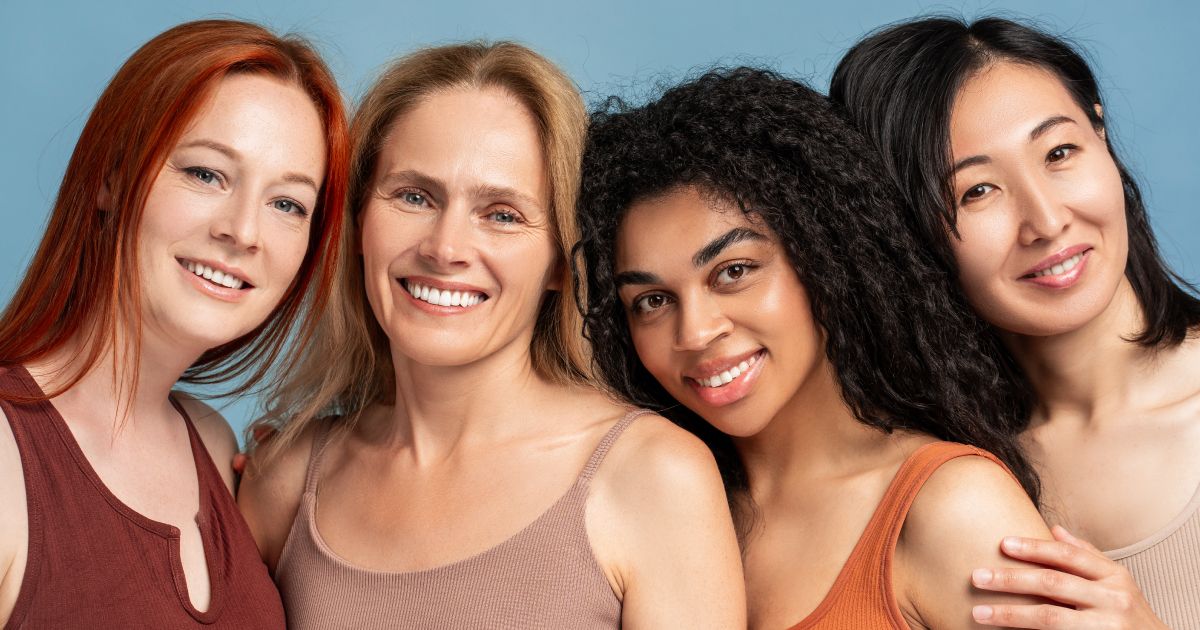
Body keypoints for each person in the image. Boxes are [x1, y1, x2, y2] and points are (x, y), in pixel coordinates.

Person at [237, 41, 745, 629]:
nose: (445, 247)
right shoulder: (286, 479)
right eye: (413, 196)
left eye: (502, 213)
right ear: (358, 223)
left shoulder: (653, 476)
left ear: (561, 261)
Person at [577, 66, 1052, 629]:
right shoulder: (653, 506)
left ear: (823, 257)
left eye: (734, 271)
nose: (695, 333)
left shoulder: (951, 506)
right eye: (652, 301)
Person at [830, 15, 1199, 629]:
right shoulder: (936, 478)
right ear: (906, 234)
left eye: (1059, 153)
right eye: (977, 192)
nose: (1047, 221)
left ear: (1101, 135)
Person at [0, 19, 348, 628]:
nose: (243, 231)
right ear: (110, 177)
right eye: (206, 174)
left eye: (287, 204)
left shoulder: (214, 446)